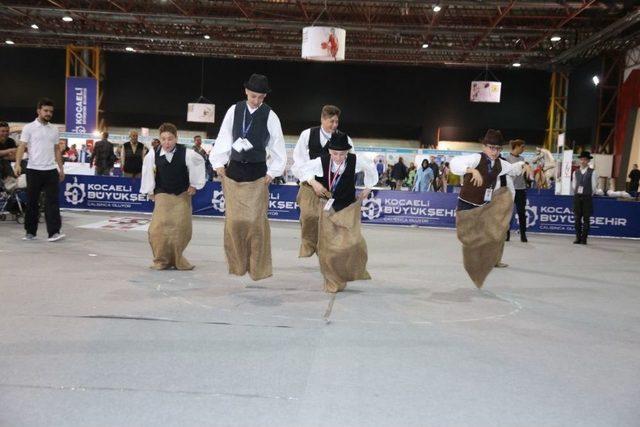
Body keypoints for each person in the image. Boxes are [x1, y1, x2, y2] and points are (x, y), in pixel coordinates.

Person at [210, 73, 286, 281]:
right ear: (246, 92)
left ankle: (258, 267)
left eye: (261, 97)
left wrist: (272, 173)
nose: (257, 100)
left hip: (257, 173)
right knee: (234, 222)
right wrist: (218, 164)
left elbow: (278, 146)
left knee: (255, 224)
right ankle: (237, 265)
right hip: (234, 172)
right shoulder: (234, 110)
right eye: (253, 96)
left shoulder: (270, 115)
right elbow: (224, 137)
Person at [298, 131, 377, 293]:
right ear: (329, 151)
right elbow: (302, 170)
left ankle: (348, 272)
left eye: (342, 154)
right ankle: (332, 280)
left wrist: (368, 187)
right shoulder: (322, 161)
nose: (338, 157)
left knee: (354, 244)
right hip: (328, 207)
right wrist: (313, 182)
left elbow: (371, 168)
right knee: (328, 248)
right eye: (335, 153)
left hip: (348, 208)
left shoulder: (356, 160)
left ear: (347, 152)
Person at [450, 129, 526, 287]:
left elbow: (513, 169)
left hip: (484, 204)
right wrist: (471, 170)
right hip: (467, 203)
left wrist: (524, 165)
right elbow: (455, 163)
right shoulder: (476, 158)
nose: (495, 152)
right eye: (492, 147)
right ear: (484, 146)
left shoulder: (500, 163)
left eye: (498, 148)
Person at [140, 123, 206, 270]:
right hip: (162, 193)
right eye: (163, 139)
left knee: (181, 229)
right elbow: (147, 172)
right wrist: (150, 191)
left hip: (182, 194)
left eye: (170, 139)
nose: (166, 142)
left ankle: (177, 259)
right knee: (157, 229)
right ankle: (161, 259)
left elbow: (199, 163)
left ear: (176, 138)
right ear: (159, 139)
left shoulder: (187, 153)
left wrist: (194, 184)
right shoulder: (153, 153)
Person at [291, 105, 354, 257]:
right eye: (331, 121)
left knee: (329, 222)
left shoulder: (344, 139)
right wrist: (312, 181)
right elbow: (299, 160)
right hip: (309, 183)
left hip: (332, 186)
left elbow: (351, 163)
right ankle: (308, 244)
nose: (334, 125)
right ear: (322, 119)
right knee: (309, 216)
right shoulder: (307, 134)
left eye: (336, 122)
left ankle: (324, 250)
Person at [13, 98, 65, 242]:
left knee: (52, 203)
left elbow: (56, 150)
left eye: (51, 112)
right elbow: (22, 146)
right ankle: (30, 233)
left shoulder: (54, 129)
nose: (49, 113)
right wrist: (17, 164)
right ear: (39, 111)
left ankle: (54, 233)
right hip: (33, 170)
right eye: (46, 111)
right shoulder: (29, 128)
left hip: (51, 171)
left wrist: (61, 169)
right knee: (32, 203)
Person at [572, 151, 598, 245]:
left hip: (587, 197)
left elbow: (594, 186)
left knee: (586, 219)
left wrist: (588, 193)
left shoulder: (593, 172)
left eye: (585, 160)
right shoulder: (575, 172)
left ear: (588, 161)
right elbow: (574, 184)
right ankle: (578, 238)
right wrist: (577, 192)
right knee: (577, 219)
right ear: (580, 160)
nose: (583, 161)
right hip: (577, 197)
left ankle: (584, 239)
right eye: (582, 159)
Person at [505, 139, 528, 242]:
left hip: (521, 190)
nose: (523, 149)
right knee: (508, 213)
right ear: (517, 146)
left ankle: (523, 235)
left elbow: (525, 174)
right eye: (522, 147)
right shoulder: (507, 159)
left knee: (521, 213)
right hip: (510, 190)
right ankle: (506, 234)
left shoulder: (523, 159)